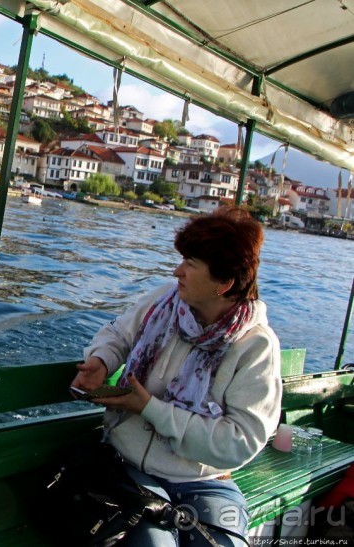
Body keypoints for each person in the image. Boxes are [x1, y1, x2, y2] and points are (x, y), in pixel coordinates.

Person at [71, 206, 282, 546]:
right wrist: (102, 361)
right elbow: (117, 335)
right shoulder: (163, 302)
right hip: (128, 462)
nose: (177, 271)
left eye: (190, 264)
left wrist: (151, 408)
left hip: (204, 479)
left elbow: (242, 440)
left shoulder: (256, 347)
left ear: (224, 284)